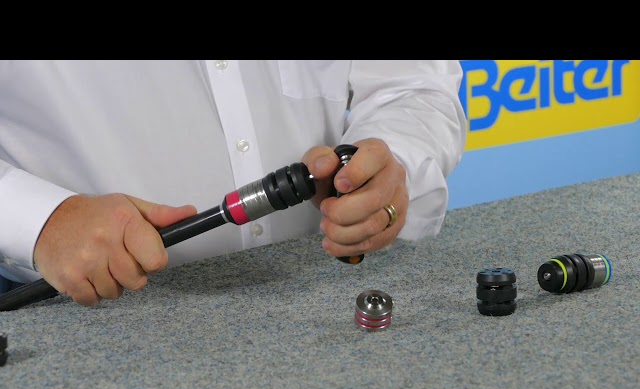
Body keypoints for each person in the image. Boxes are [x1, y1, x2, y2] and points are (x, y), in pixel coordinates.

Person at [0, 60, 467, 305]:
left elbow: (412, 86)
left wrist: (390, 159)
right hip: (82, 313)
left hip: (321, 290)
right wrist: (42, 220)